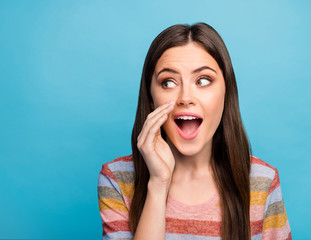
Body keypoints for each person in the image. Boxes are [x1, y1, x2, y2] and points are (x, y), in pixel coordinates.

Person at [98, 23, 291, 240]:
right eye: (168, 82)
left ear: (226, 93)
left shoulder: (262, 181)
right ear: (151, 99)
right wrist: (158, 184)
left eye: (203, 80)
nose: (185, 98)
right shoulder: (117, 179)